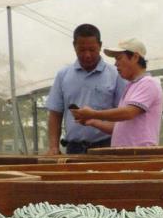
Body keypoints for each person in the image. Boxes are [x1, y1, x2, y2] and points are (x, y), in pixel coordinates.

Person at [45, 24, 126, 154]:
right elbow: (55, 114)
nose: (87, 55)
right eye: (82, 50)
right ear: (74, 46)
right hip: (73, 149)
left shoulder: (115, 75)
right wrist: (53, 147)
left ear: (100, 46)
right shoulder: (63, 75)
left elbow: (123, 114)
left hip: (107, 147)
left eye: (92, 49)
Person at [72, 38, 163, 147]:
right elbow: (119, 127)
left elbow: (128, 113)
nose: (116, 64)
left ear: (135, 57)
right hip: (128, 156)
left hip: (139, 156)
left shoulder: (148, 83)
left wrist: (93, 113)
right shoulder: (131, 86)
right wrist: (93, 121)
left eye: (119, 58)